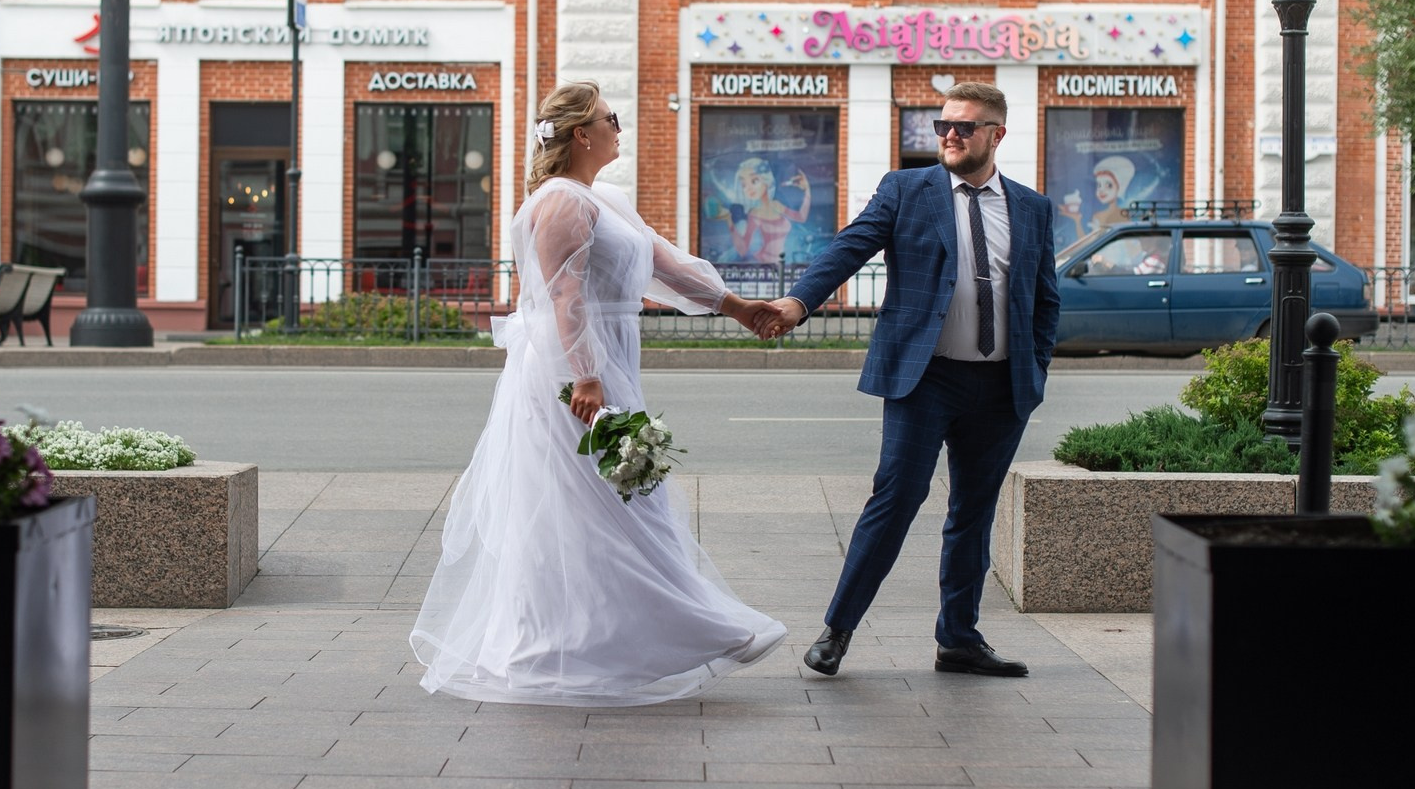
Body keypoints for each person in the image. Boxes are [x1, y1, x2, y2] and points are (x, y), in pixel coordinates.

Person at [411, 81, 789, 705]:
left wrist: (737, 307)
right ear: (582, 134)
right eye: (612, 119)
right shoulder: (560, 201)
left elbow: (666, 266)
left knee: (621, 498)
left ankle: (625, 635)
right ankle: (596, 639)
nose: (621, 127)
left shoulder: (604, 198)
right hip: (570, 372)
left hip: (605, 360)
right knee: (600, 502)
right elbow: (566, 294)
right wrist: (585, 376)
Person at [757, 81, 1059, 679]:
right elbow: (850, 247)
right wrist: (798, 303)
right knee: (895, 499)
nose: (949, 134)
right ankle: (837, 631)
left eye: (965, 126)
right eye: (943, 124)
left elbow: (1044, 298)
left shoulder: (1032, 208)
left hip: (1001, 388)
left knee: (973, 513)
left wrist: (1036, 369)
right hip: (925, 379)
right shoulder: (906, 190)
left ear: (997, 134)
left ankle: (959, 640)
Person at [713, 156, 812, 263]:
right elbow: (743, 250)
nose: (748, 188)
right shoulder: (754, 214)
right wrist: (729, 220)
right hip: (765, 267)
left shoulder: (776, 205)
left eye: (754, 181)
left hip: (783, 265)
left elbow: (801, 217)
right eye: (743, 185)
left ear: (766, 181)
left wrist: (807, 190)